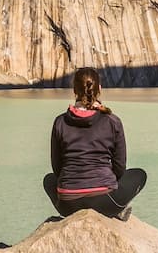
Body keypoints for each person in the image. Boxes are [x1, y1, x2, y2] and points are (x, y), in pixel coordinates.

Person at [43, 67, 147, 221]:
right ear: (99, 89)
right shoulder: (112, 121)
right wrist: (103, 180)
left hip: (68, 204)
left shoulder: (60, 122)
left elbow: (57, 167)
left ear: (74, 90)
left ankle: (72, 210)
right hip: (105, 202)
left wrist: (74, 183)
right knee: (139, 175)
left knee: (49, 179)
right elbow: (119, 168)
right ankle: (115, 212)